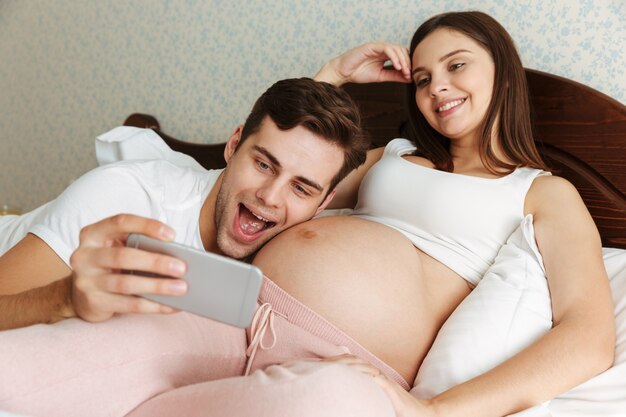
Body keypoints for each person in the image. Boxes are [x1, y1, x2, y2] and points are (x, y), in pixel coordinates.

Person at [0, 11, 615, 417]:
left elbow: (588, 340)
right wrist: (330, 78)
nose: (436, 88)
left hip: (339, 376)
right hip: (229, 316)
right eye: (422, 76)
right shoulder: (394, 156)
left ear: (501, 70)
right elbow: (298, 174)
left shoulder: (544, 192)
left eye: (456, 65)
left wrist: (432, 412)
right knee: (23, 370)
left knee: (335, 402)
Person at [0, 77, 368, 329]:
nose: (270, 197)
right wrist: (65, 297)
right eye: (263, 164)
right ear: (233, 145)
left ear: (323, 204)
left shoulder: (297, 253)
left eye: (301, 189)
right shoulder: (127, 196)